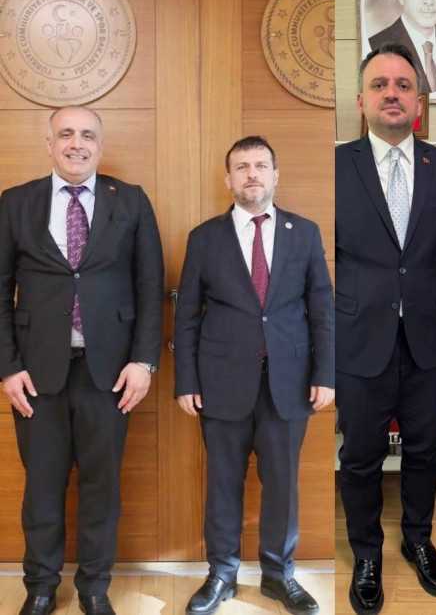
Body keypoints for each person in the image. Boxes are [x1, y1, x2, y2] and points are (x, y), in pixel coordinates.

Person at [0, 106, 164, 615]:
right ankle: (41, 587)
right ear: (49, 143)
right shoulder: (15, 203)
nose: (77, 143)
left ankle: (95, 587)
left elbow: (150, 287)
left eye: (87, 135)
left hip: (109, 374)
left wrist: (144, 362)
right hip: (35, 375)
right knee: (42, 487)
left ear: (100, 144)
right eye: (66, 134)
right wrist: (7, 367)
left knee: (102, 486)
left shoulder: (131, 201)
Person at [336, 43, 436, 614]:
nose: (391, 94)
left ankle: (418, 539)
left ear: (419, 102)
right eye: (380, 84)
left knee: (424, 448)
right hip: (355, 335)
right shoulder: (335, 165)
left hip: (430, 336)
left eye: (402, 85)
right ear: (361, 100)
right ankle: (366, 552)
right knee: (360, 455)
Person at [174, 136, 334, 615]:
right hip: (220, 383)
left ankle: (278, 575)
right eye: (241, 166)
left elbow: (322, 309)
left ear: (275, 174)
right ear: (228, 179)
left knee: (282, 485)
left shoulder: (305, 233)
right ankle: (221, 574)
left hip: (290, 383)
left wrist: (326, 373)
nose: (252, 174)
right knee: (223, 483)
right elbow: (186, 317)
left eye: (261, 165)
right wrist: (186, 381)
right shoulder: (204, 238)